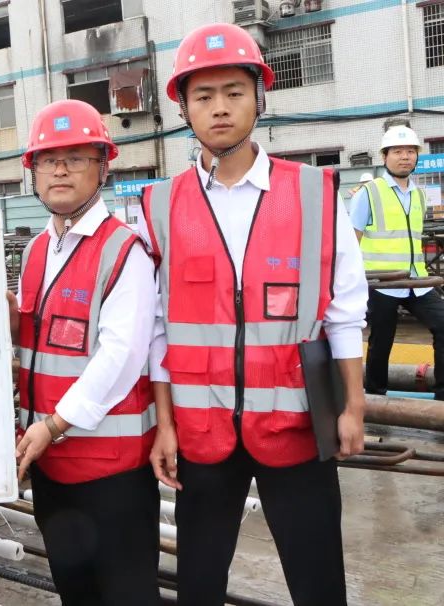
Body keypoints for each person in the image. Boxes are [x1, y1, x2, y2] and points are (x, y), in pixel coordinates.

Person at [142, 23, 367, 606]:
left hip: (297, 426)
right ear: (184, 108)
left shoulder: (315, 193)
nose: (219, 107)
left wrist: (352, 408)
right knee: (199, 583)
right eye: (203, 95)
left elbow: (345, 312)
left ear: (259, 98)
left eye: (234, 92)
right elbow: (157, 329)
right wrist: (165, 424)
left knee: (318, 581)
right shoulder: (160, 205)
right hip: (202, 433)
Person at [12, 99, 160, 605]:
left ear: (103, 166)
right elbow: (31, 339)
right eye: (47, 160)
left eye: (75, 158)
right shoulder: (36, 251)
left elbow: (120, 356)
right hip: (52, 469)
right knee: (75, 593)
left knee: (126, 595)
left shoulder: (124, 251)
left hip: (111, 473)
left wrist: (52, 425)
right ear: (32, 171)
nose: (59, 170)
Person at [350, 126, 444, 400]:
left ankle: (441, 397)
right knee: (382, 341)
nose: (405, 156)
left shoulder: (419, 195)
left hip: (417, 280)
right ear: (385, 156)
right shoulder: (368, 193)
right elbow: (351, 240)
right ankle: (376, 397)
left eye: (411, 151)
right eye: (398, 151)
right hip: (381, 282)